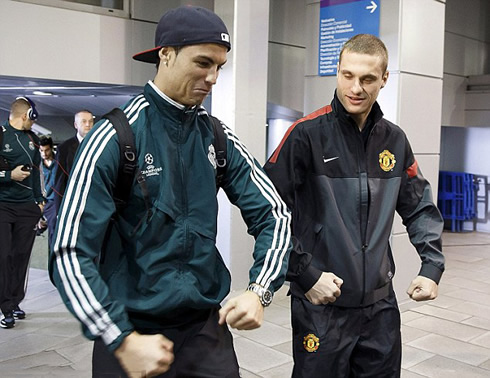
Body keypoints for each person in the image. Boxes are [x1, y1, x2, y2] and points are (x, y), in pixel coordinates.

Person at [49, 5, 291, 377]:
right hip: (131, 329)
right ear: (166, 55)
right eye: (203, 62)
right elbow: (68, 251)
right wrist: (120, 338)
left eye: (219, 67)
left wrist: (260, 290)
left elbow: (274, 213)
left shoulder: (216, 136)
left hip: (205, 331)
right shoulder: (114, 136)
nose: (212, 77)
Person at [264, 34, 445, 377]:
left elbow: (418, 206)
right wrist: (305, 274)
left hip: (380, 309)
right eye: (347, 76)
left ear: (384, 79)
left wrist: (431, 266)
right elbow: (268, 211)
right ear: (337, 72)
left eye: (367, 79)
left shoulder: (394, 140)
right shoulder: (305, 135)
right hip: (321, 305)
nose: (356, 88)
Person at [0, 97, 44, 329]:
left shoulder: (32, 139)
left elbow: (36, 173)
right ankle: (4, 306)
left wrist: (39, 200)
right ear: (27, 115)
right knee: (4, 256)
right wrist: (9, 176)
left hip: (27, 207)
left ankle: (15, 301)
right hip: (3, 206)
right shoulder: (1, 134)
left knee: (20, 257)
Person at [53, 109, 94, 213]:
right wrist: (59, 210)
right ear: (76, 125)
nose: (88, 124)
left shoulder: (99, 145)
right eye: (84, 121)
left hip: (94, 201)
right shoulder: (64, 148)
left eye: (91, 121)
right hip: (72, 202)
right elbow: (60, 180)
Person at [38, 136, 58, 248]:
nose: (44, 153)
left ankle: (53, 258)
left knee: (53, 224)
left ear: (51, 148)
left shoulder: (59, 162)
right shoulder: (37, 165)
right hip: (42, 200)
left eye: (46, 150)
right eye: (41, 151)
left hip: (55, 201)